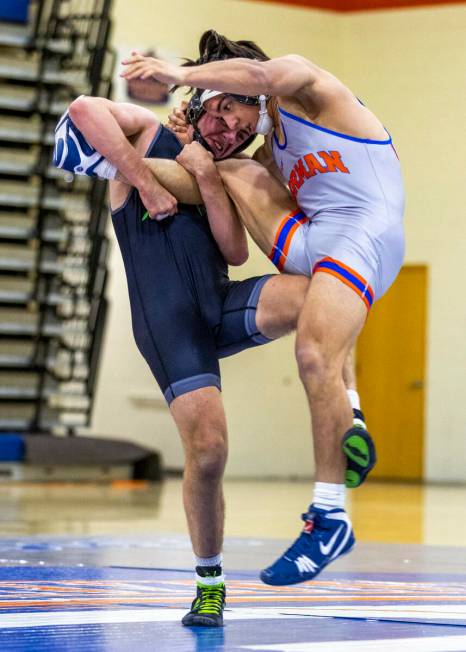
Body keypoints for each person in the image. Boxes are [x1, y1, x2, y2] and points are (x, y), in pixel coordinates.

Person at [54, 89, 365, 626]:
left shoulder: (223, 170)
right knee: (209, 452)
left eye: (241, 131)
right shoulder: (146, 137)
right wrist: (148, 184)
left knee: (330, 288)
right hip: (170, 324)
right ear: (198, 107)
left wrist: (206, 177)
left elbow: (235, 253)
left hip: (219, 304)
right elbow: (82, 111)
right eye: (221, 116)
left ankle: (353, 412)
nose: (228, 132)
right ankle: (209, 583)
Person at [120, 28, 404, 587]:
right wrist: (157, 156)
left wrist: (172, 75)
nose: (233, 125)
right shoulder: (266, 148)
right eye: (219, 113)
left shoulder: (302, 80)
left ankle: (329, 515)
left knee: (313, 354)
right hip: (312, 236)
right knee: (227, 173)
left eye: (238, 111)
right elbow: (213, 182)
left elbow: (259, 76)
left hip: (362, 230)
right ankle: (354, 413)